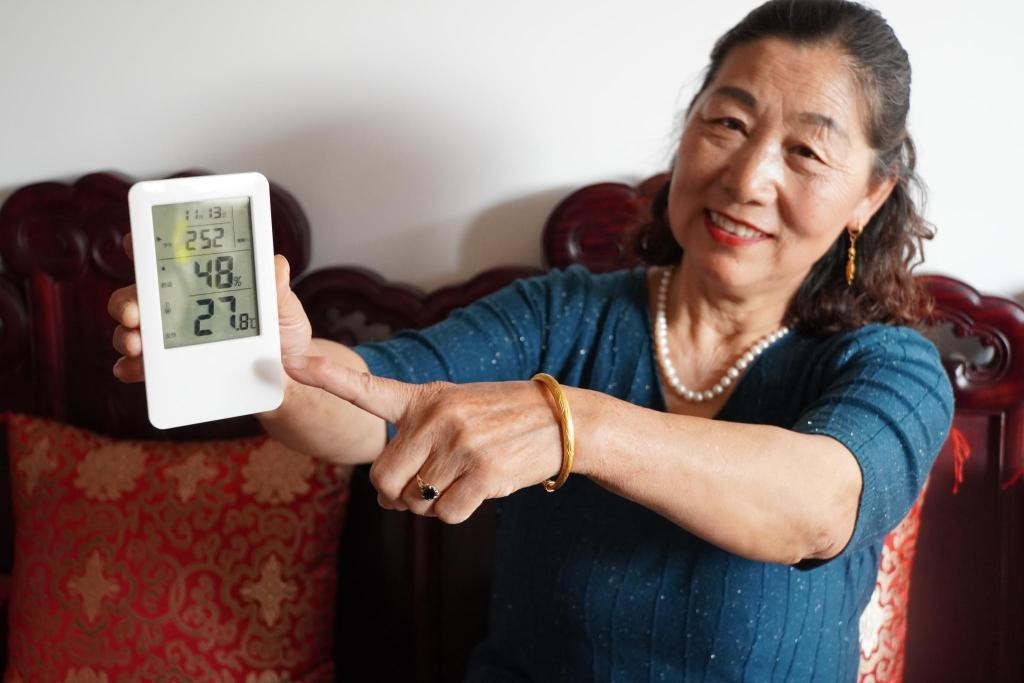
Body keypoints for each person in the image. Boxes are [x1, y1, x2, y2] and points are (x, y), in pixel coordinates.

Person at [109, 0, 954, 679]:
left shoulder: (893, 367)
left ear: (869, 197)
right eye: (728, 124)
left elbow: (815, 508)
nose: (747, 178)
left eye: (805, 151)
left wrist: (570, 427)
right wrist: (277, 365)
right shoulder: (563, 314)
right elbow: (373, 407)